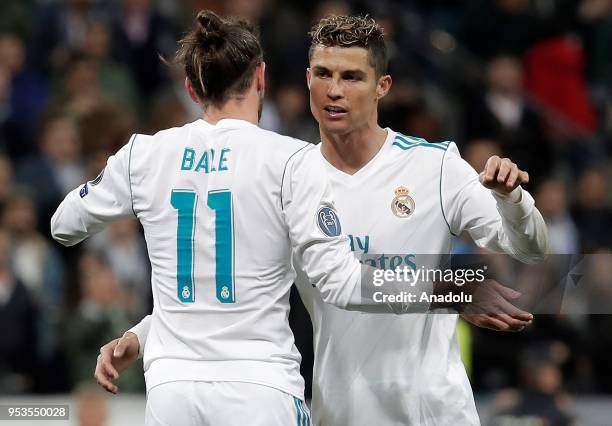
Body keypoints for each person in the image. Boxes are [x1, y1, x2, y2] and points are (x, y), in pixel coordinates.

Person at [94, 14, 548, 425]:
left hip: (434, 414)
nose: (335, 90)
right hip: (339, 412)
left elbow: (531, 248)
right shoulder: (285, 178)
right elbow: (229, 299)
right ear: (307, 79)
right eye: (325, 75)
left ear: (382, 87)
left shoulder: (437, 166)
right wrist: (140, 336)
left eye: (352, 77)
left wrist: (512, 199)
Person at [53, 11, 391, 426]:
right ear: (261, 77)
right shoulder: (291, 160)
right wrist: (455, 285)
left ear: (192, 89)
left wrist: (142, 335)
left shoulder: (145, 154)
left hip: (171, 391)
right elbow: (340, 281)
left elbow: (63, 224)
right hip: (259, 388)